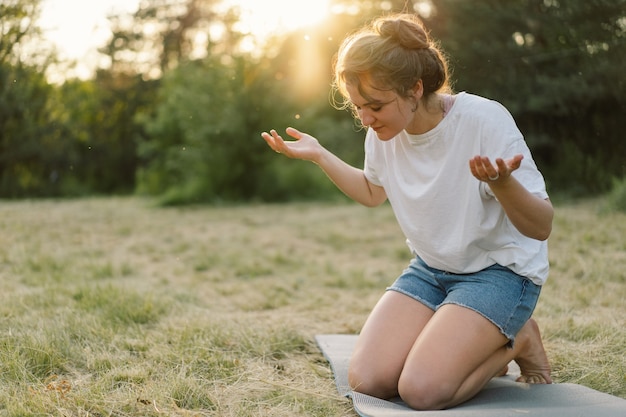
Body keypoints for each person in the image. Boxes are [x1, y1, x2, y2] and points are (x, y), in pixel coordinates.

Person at [261, 13, 553, 410]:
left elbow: (541, 226)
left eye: (375, 106)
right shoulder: (383, 132)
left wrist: (503, 184)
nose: (365, 118)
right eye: (358, 107)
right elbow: (370, 191)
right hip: (431, 271)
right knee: (367, 381)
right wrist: (318, 154)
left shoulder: (484, 119)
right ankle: (464, 334)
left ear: (414, 89)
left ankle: (518, 338)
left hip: (498, 273)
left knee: (422, 390)